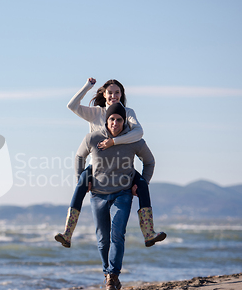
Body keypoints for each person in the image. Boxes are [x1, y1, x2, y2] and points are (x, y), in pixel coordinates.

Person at [55, 78, 166, 248]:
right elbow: (71, 105)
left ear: (122, 95)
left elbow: (139, 133)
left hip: (122, 166)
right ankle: (67, 233)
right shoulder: (96, 113)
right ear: (104, 94)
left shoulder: (128, 112)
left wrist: (114, 142)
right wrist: (87, 86)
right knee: (80, 185)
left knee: (142, 184)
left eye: (117, 92)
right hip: (97, 167)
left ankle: (149, 233)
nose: (114, 96)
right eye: (110, 92)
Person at [75, 103, 155, 290]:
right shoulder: (93, 138)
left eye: (119, 119)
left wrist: (142, 183)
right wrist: (83, 180)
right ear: (106, 120)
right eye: (112, 119)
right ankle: (109, 274)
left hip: (123, 193)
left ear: (124, 121)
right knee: (103, 239)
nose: (116, 123)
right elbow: (79, 157)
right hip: (98, 194)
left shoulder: (132, 140)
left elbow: (150, 161)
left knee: (117, 234)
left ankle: (112, 276)